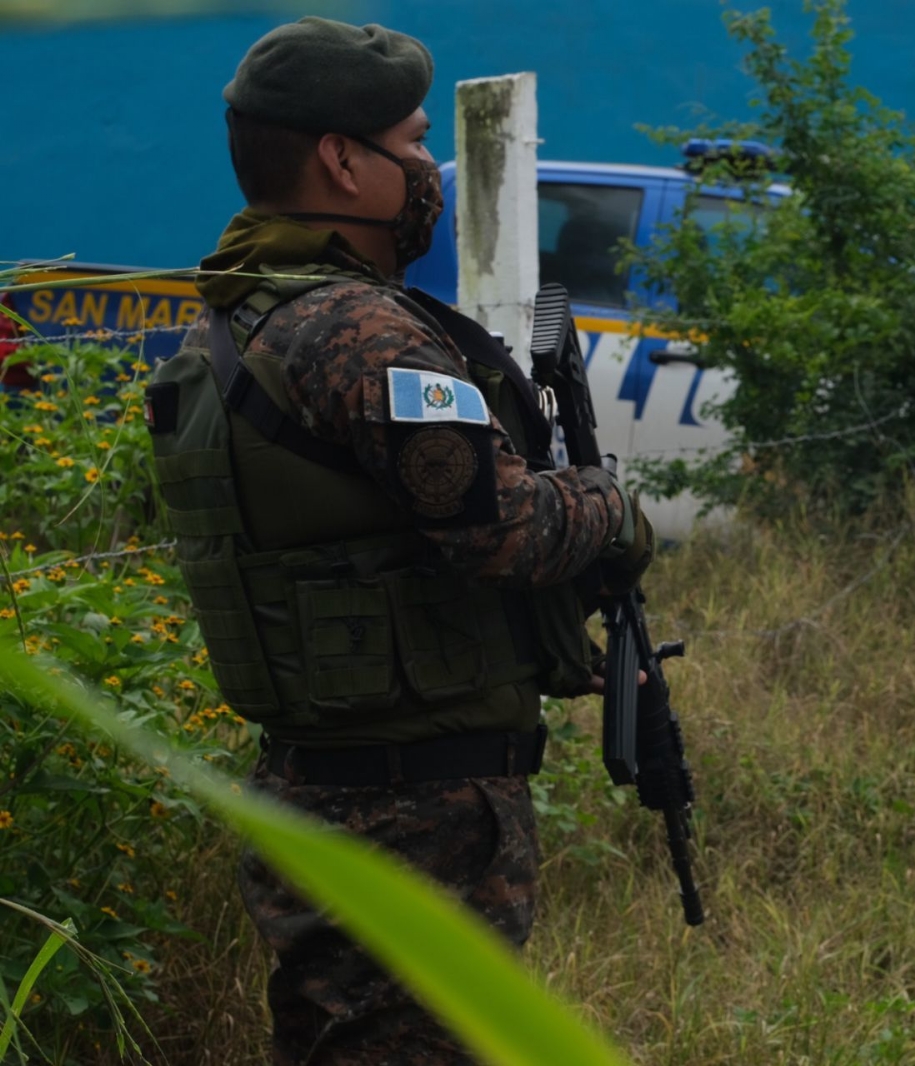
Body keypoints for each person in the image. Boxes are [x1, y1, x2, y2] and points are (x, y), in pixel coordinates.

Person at [144, 17, 653, 1064]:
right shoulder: (359, 332)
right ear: (341, 159)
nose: (428, 168)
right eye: (415, 143)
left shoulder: (237, 319)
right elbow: (498, 530)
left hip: (322, 778)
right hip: (416, 807)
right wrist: (610, 506)